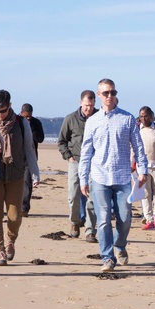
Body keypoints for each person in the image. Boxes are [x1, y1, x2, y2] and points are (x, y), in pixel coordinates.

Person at [79, 79, 148, 272]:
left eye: (113, 92)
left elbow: (139, 147)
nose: (110, 96)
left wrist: (143, 170)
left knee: (125, 219)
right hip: (99, 177)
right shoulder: (92, 121)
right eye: (106, 93)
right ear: (99, 95)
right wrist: (83, 179)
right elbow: (86, 152)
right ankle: (107, 258)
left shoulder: (127, 118)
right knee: (103, 220)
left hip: (122, 177)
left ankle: (120, 245)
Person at [0, 90, 39, 266]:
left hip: (16, 174)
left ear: (10, 106)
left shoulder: (20, 123)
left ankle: (10, 240)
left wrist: (35, 173)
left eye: (2, 110)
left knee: (14, 216)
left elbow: (29, 149)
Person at [57, 91, 97, 241]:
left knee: (92, 195)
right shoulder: (70, 119)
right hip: (76, 161)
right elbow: (61, 141)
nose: (89, 109)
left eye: (92, 106)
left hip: (94, 163)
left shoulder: (99, 117)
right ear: (81, 103)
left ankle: (90, 230)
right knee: (74, 195)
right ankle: (75, 222)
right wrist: (69, 157)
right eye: (87, 106)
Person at [19, 103, 46, 217]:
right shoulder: (17, 121)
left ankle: (24, 208)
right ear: (21, 113)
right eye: (25, 117)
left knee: (27, 182)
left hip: (30, 156)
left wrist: (32, 131)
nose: (28, 119)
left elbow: (41, 139)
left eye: (29, 116)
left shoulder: (36, 123)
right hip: (17, 155)